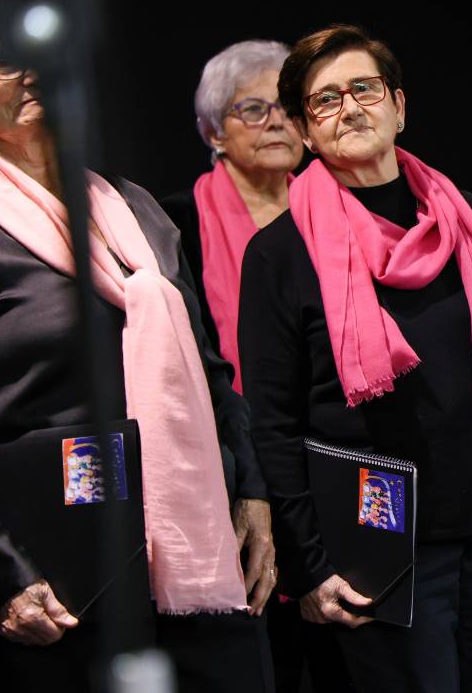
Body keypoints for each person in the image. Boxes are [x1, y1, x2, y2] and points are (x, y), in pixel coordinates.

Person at [0, 0, 273, 692]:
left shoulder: (135, 207)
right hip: (59, 583)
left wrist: (252, 495)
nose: (30, 71)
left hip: (197, 559)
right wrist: (2, 574)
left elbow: (211, 372)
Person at [238, 23, 472, 693]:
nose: (349, 109)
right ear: (305, 132)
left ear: (399, 106)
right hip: (380, 548)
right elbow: (274, 426)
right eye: (325, 100)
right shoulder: (278, 255)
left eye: (364, 89)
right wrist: (309, 567)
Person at [160, 38, 312, 690]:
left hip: (334, 461)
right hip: (240, 471)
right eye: (253, 109)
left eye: (286, 107)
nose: (276, 122)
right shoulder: (175, 225)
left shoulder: (339, 214)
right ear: (213, 132)